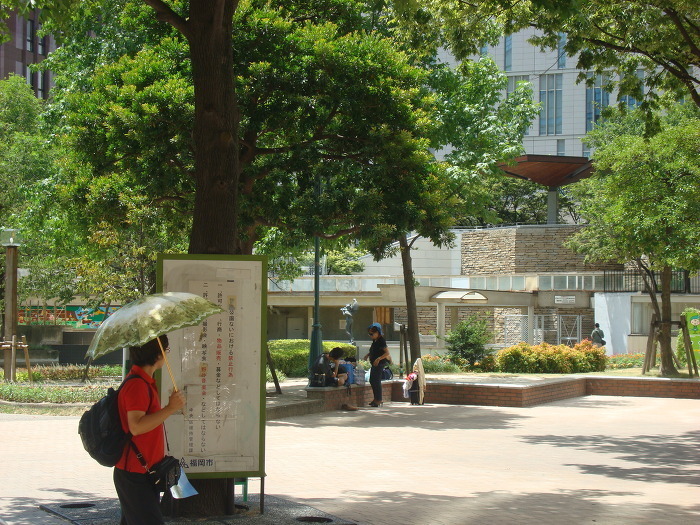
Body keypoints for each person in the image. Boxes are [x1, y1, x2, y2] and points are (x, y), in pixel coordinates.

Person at [113, 335, 185, 525]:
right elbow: (136, 426)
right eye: (165, 350)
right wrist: (170, 408)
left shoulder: (144, 382)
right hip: (135, 472)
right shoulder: (137, 385)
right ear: (157, 354)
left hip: (143, 471)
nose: (166, 355)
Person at [363, 323, 391, 407]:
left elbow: (387, 353)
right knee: (372, 380)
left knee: (376, 381)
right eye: (369, 334)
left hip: (379, 363)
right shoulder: (375, 341)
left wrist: (378, 359)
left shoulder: (381, 341)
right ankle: (376, 398)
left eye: (372, 334)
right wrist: (368, 355)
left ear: (377, 333)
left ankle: (379, 400)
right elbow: (375, 350)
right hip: (374, 363)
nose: (370, 336)